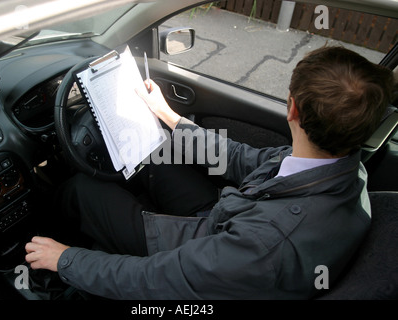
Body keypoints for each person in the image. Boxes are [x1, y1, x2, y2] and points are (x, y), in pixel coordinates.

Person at [25, 46, 395, 299]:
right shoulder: (343, 167)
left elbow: (155, 280)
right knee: (159, 153)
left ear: (292, 109)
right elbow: (240, 158)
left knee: (83, 190)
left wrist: (66, 259)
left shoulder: (265, 247)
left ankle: (38, 238)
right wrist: (169, 117)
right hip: (228, 222)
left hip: (208, 250)